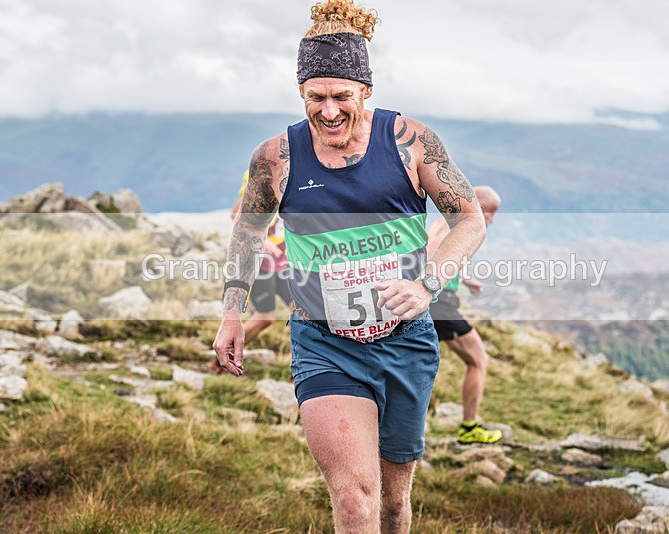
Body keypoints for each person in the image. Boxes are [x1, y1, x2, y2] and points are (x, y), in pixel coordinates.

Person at [213, 1, 486, 531]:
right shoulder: (276, 157)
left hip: (406, 341)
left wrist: (429, 282)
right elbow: (247, 230)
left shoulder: (410, 142)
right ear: (301, 95)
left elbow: (469, 218)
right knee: (356, 501)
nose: (330, 110)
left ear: (366, 92)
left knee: (390, 503)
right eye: (317, 97)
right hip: (325, 341)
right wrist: (231, 314)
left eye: (342, 96)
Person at [427, 186, 503, 444]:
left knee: (417, 362)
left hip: (436, 301)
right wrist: (434, 284)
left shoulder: (444, 220)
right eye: (491, 213)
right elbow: (433, 251)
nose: (491, 221)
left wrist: (465, 279)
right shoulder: (456, 225)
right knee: (478, 360)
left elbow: (441, 253)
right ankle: (469, 427)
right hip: (440, 304)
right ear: (479, 206)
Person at [214, 172, 292, 374]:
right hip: (260, 265)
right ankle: (223, 357)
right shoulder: (266, 170)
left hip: (285, 263)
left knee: (305, 313)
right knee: (265, 317)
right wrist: (264, 243)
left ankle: (305, 368)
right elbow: (236, 214)